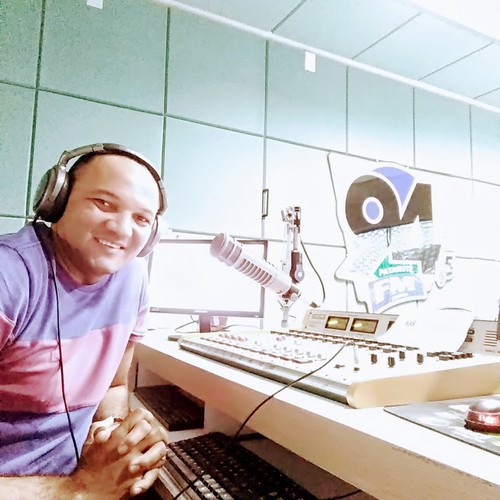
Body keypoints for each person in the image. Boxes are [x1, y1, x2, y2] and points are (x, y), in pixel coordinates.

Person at [0, 144, 169, 498]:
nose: (121, 230)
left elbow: (114, 386)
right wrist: (79, 489)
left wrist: (118, 440)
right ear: (56, 200)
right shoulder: (9, 276)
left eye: (141, 219)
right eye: (103, 203)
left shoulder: (133, 279)